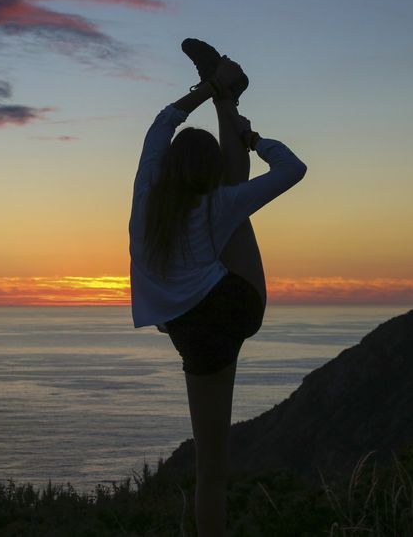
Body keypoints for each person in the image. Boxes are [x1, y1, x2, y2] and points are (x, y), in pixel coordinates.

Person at [128, 43, 307, 536]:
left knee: (211, 469)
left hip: (199, 329)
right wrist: (251, 138)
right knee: (236, 207)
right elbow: (293, 170)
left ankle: (225, 89)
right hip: (232, 301)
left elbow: (161, 125)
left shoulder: (147, 196)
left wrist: (200, 93)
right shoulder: (218, 204)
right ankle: (230, 96)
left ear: (167, 168)